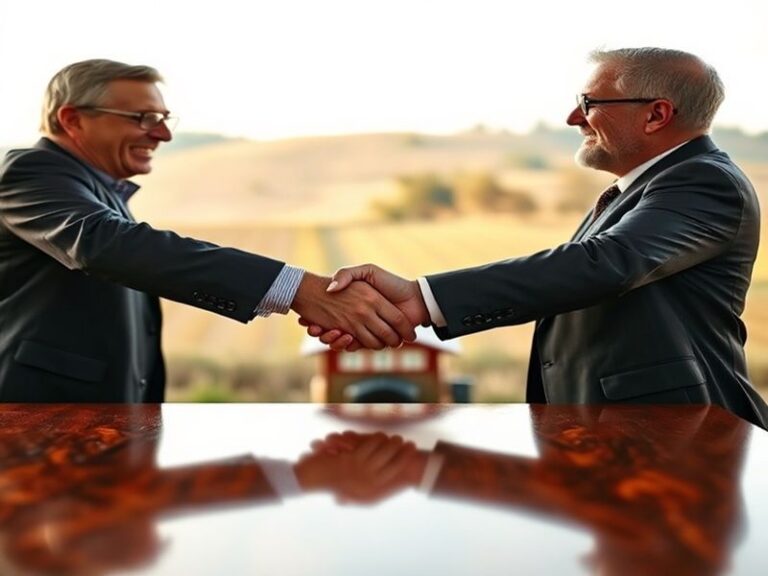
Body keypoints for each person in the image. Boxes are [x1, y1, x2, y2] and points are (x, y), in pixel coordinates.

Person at [306, 47, 768, 429]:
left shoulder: (704, 182)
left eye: (590, 103)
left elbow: (604, 263)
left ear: (656, 115)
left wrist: (422, 298)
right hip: (625, 435)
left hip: (681, 437)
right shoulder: (648, 187)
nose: (574, 118)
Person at [0, 59, 414, 403]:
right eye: (144, 118)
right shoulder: (28, 172)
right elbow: (105, 245)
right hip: (38, 423)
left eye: (163, 119)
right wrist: (297, 289)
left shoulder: (96, 186)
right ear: (72, 119)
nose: (163, 134)